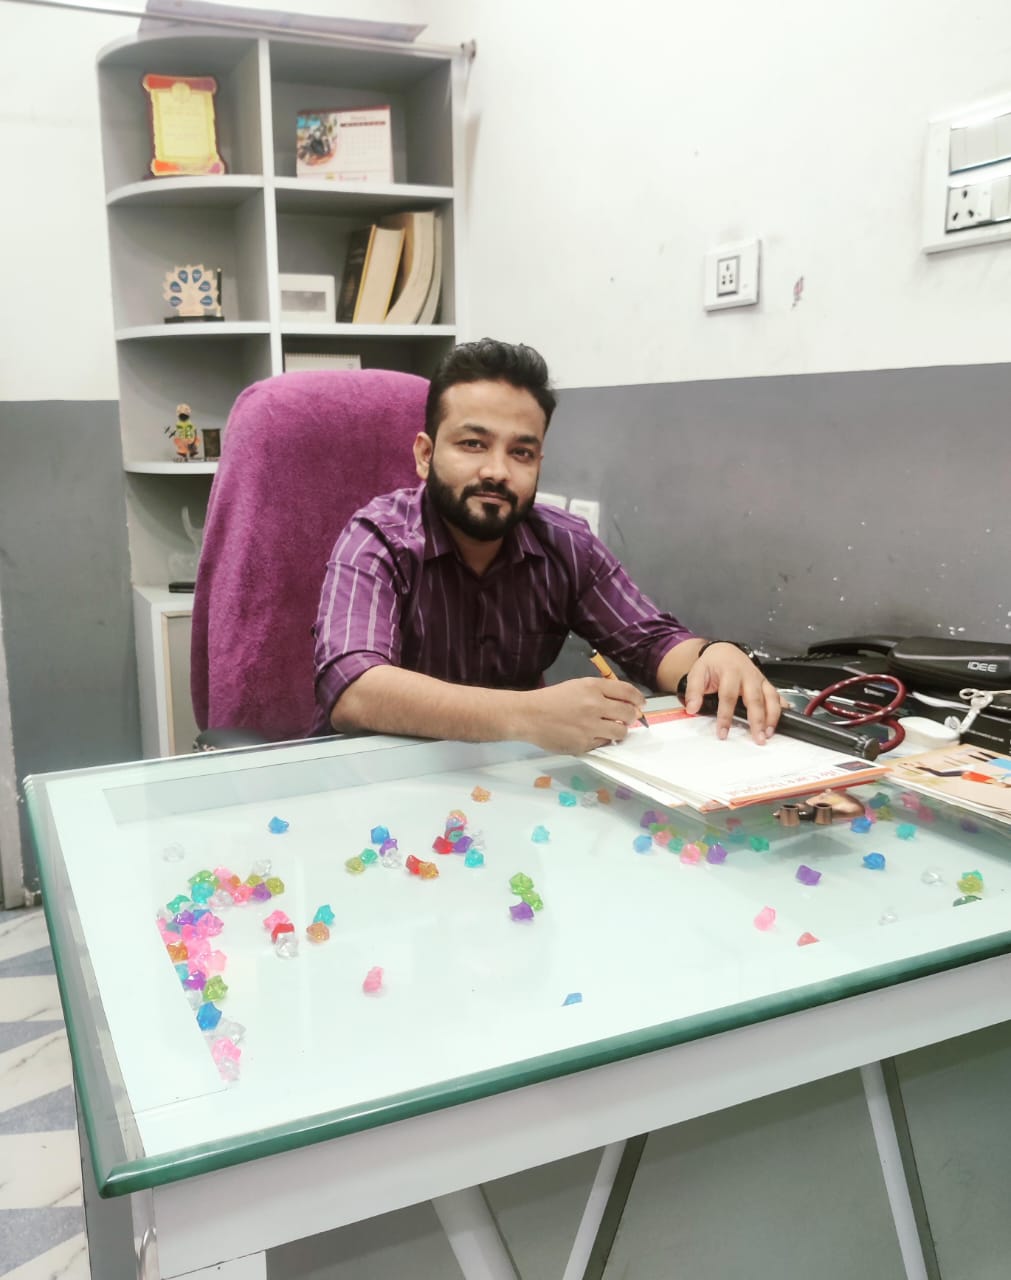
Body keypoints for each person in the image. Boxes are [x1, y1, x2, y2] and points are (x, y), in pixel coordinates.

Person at [311, 339, 781, 754]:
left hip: (511, 780)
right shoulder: (379, 537)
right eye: (473, 444)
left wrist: (712, 657)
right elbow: (353, 688)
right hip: (378, 777)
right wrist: (527, 715)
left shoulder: (565, 543)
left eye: (521, 452)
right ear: (426, 455)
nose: (497, 470)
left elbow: (652, 643)